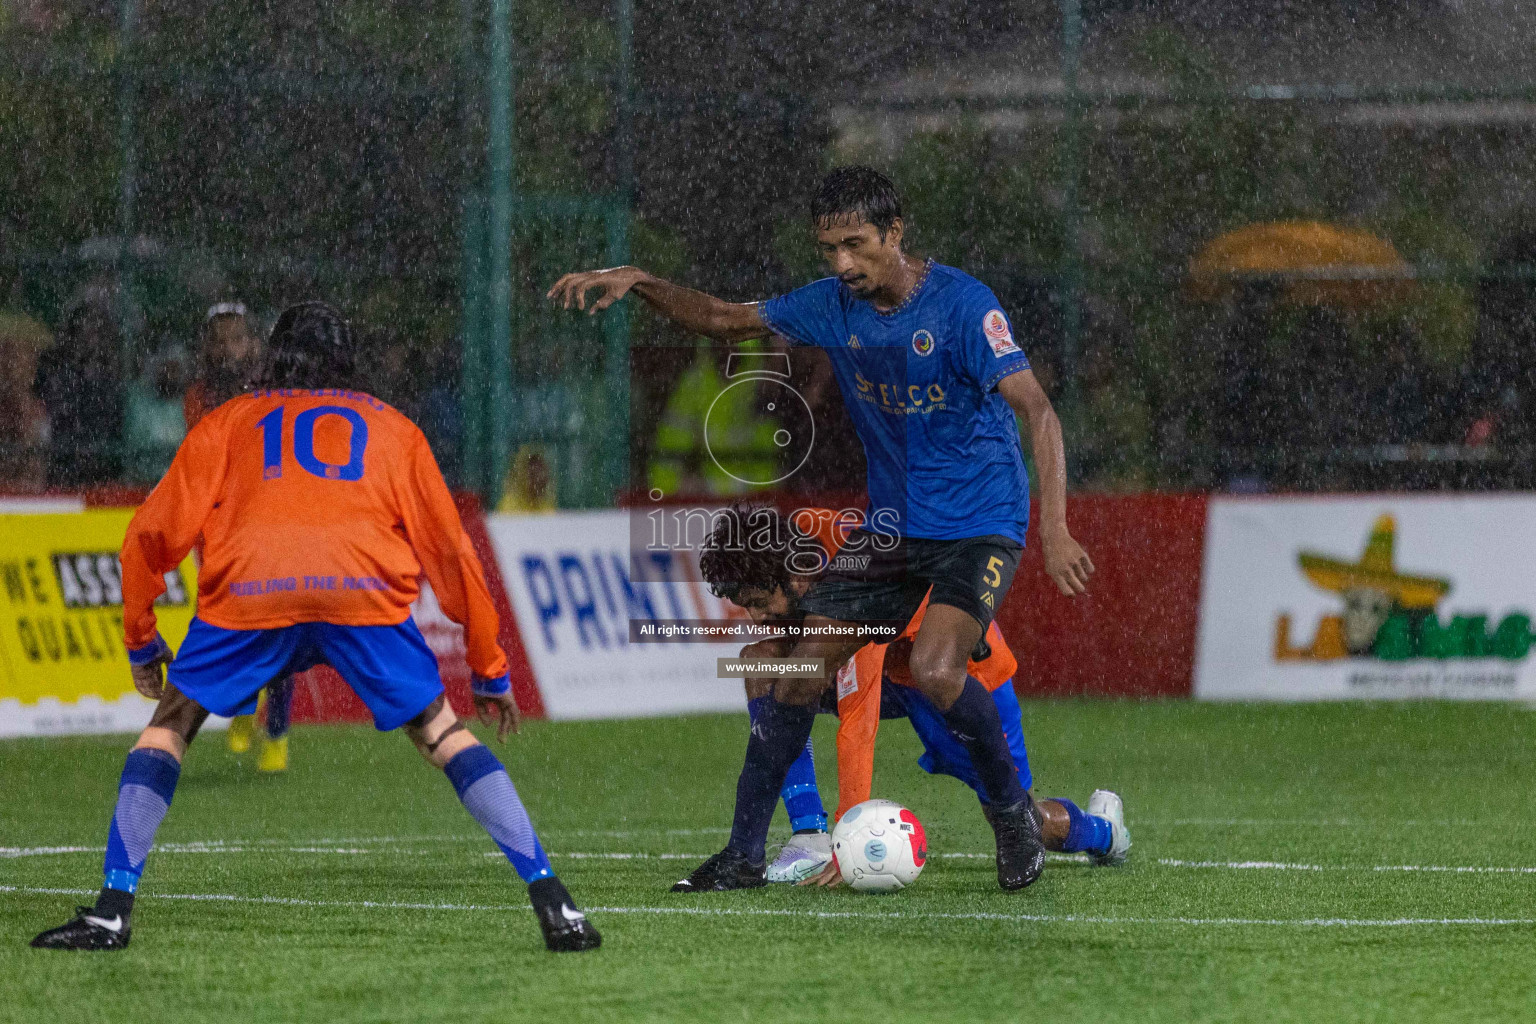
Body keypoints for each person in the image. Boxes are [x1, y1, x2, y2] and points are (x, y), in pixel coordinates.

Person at [550, 166, 1095, 892]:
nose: (843, 264)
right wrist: (640, 278)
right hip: (895, 528)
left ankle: (1011, 818)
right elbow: (720, 317)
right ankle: (745, 854)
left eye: (856, 245)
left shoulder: (965, 307)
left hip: (979, 522)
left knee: (936, 669)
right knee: (797, 664)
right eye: (829, 249)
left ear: (895, 233)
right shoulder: (830, 306)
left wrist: (1054, 528)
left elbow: (1039, 410)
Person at [30, 301, 600, 953]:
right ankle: (555, 902)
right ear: (346, 361)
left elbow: (149, 537)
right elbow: (452, 554)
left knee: (169, 726)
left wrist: (140, 638)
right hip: (361, 590)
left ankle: (110, 911)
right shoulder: (392, 429)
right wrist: (490, 667)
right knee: (441, 732)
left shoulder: (228, 422)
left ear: (275, 354)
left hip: (250, 589)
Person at [693, 504, 1128, 886]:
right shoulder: (807, 537)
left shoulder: (858, 574)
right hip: (899, 675)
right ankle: (809, 834)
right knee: (761, 661)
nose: (755, 616)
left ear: (794, 576)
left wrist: (851, 833)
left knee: (1025, 821)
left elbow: (858, 718)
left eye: (759, 601)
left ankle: (1103, 831)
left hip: (963, 682)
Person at [184, 301, 296, 771]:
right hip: (219, 524)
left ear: (253, 343)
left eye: (235, 337)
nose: (226, 346)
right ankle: (246, 706)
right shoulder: (199, 396)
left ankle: (279, 732)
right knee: (234, 620)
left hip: (270, 518)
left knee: (285, 622)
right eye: (219, 338)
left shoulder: (274, 390)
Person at [34, 289, 126, 487]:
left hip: (103, 479)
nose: (89, 340)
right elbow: (52, 429)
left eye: (95, 333)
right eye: (82, 332)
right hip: (63, 476)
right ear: (71, 336)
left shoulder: (112, 385)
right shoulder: (57, 380)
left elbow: (115, 432)